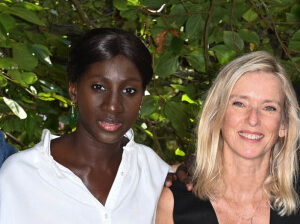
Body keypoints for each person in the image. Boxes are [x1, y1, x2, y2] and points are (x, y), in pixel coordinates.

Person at [0, 28, 174, 224]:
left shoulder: (154, 172)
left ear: (142, 98)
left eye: (129, 90)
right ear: (74, 90)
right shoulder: (21, 175)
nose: (113, 106)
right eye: (99, 87)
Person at [156, 51, 300, 224]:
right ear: (217, 116)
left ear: (283, 125)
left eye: (269, 107)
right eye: (239, 104)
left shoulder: (295, 205)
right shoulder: (174, 206)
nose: (253, 119)